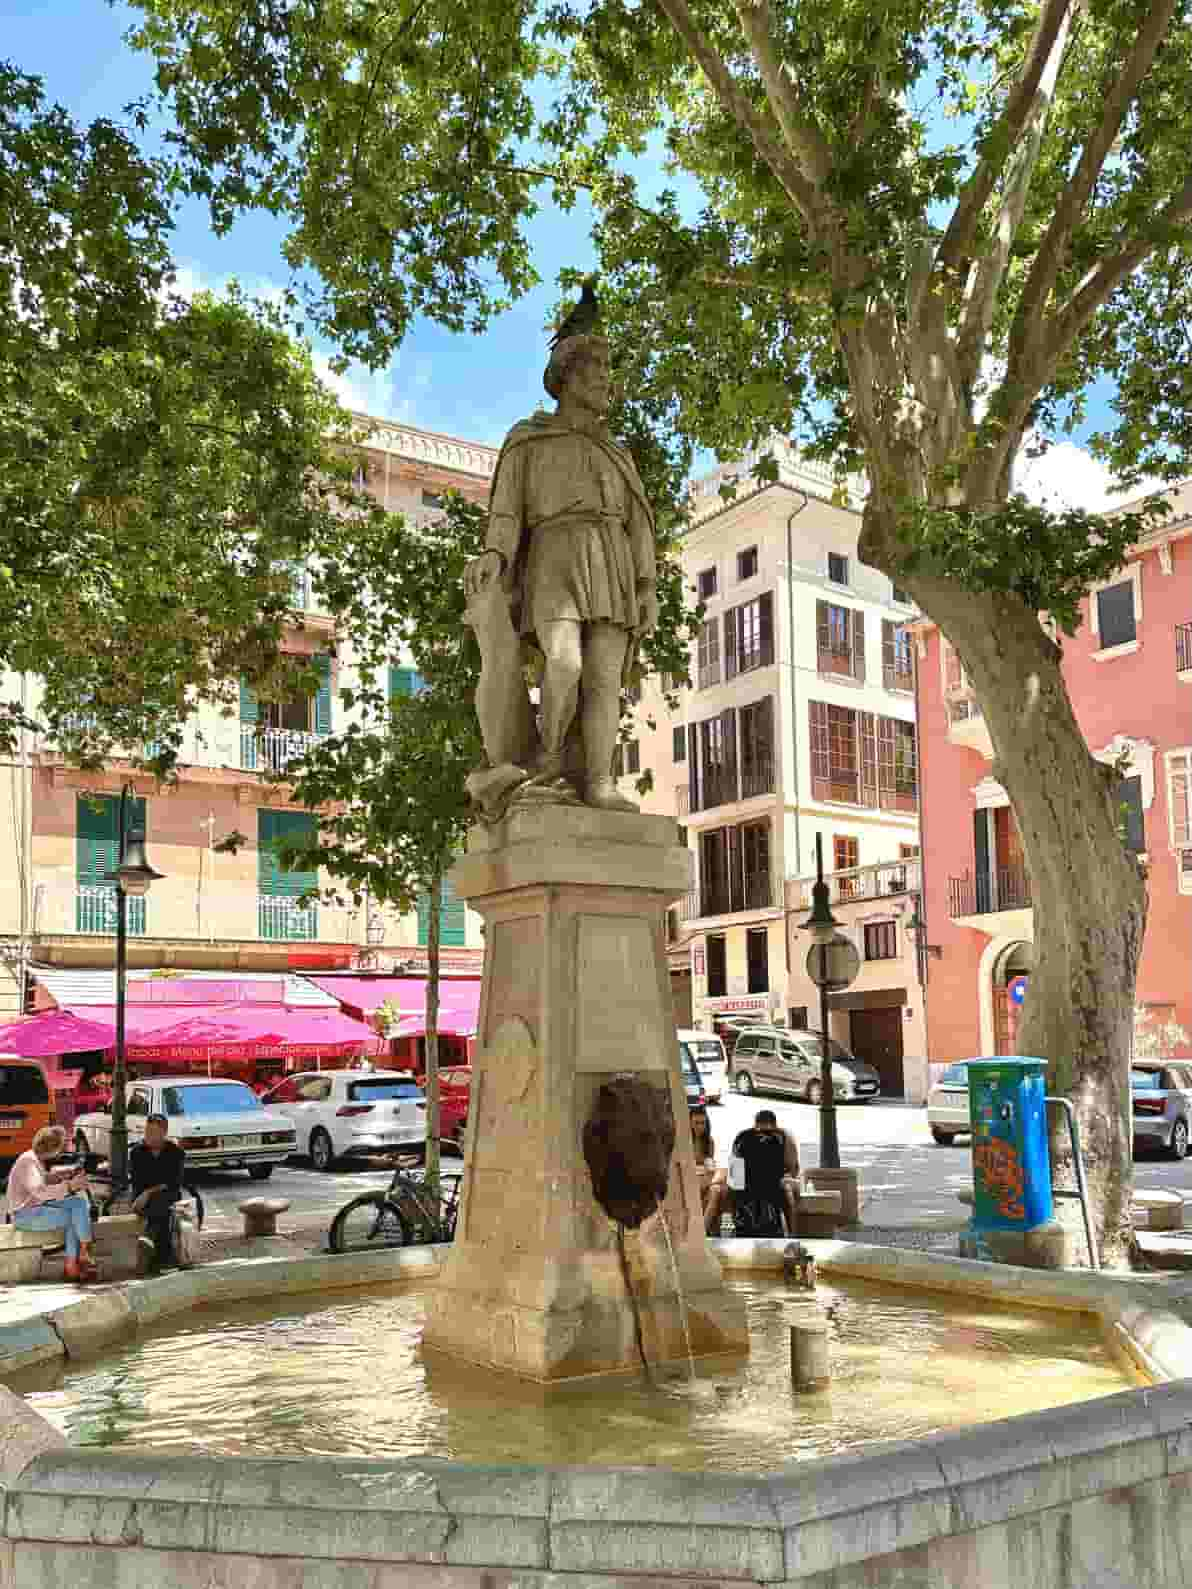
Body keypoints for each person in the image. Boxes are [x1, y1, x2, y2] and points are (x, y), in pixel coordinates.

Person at [463, 325, 659, 813]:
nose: (606, 382)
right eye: (597, 370)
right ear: (567, 376)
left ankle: (599, 781)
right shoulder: (528, 441)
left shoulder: (617, 453)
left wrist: (647, 586)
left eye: (608, 372)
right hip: (554, 557)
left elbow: (639, 524)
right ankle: (548, 764)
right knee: (564, 662)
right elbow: (506, 512)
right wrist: (494, 554)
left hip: (611, 559)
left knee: (603, 678)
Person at [7, 1125, 97, 1281]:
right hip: (25, 1215)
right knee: (73, 1217)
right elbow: (40, 1191)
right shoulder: (28, 1162)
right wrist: (69, 1186)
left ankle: (82, 1253)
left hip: (35, 1207)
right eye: (60, 1148)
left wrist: (64, 1175)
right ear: (52, 1148)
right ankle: (74, 1264)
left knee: (79, 1204)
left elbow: (43, 1179)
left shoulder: (32, 1158)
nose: (61, 1152)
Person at [129, 1112, 186, 1273]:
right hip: (142, 1199)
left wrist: (150, 1191)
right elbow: (138, 1183)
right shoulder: (136, 1153)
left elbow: (174, 1184)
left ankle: (149, 1241)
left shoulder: (176, 1153)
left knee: (162, 1204)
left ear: (164, 1133)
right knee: (161, 1208)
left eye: (153, 1132)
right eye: (146, 1132)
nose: (148, 1136)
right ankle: (165, 1260)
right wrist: (149, 1192)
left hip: (167, 1197)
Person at [732, 1109, 803, 1236]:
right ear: (775, 1124)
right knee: (789, 1194)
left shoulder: (742, 1136)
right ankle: (793, 1235)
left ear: (755, 1124)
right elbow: (793, 1168)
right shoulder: (781, 1137)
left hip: (746, 1194)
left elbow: (735, 1173)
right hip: (771, 1191)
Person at [689, 1106, 726, 1220]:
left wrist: (710, 1169)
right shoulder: (684, 1140)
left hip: (704, 1178)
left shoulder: (708, 1141)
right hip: (690, 1178)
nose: (700, 1127)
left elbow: (709, 1164)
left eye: (703, 1123)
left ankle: (704, 1229)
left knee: (718, 1189)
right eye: (696, 1123)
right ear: (689, 1123)